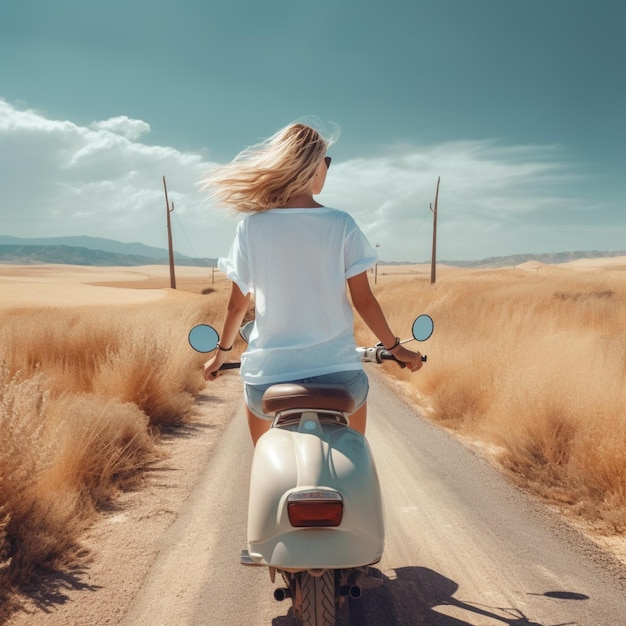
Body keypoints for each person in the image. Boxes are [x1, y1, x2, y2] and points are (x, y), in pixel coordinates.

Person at [201, 122, 423, 445]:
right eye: (327, 161)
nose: (327, 169)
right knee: (353, 452)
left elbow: (237, 305)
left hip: (268, 379)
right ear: (313, 166)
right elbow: (364, 301)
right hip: (339, 377)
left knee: (262, 458)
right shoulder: (341, 224)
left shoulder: (251, 227)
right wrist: (396, 348)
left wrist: (220, 357)